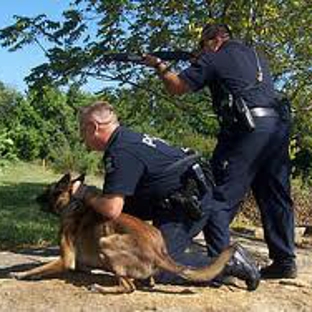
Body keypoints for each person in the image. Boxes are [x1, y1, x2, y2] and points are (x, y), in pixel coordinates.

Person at [143, 23, 296, 279]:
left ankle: (222, 264)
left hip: (245, 131)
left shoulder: (216, 55)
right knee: (275, 197)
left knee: (217, 197)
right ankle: (284, 261)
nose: (201, 52)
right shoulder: (256, 56)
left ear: (213, 40)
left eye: (202, 46)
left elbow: (177, 87)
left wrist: (159, 65)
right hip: (277, 129)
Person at [79, 100, 260, 290]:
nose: (83, 140)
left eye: (82, 132)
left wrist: (85, 194)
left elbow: (111, 209)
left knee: (158, 265)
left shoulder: (120, 151)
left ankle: (230, 263)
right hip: (196, 190)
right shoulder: (129, 138)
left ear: (93, 127)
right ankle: (223, 262)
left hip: (186, 203)